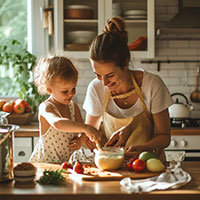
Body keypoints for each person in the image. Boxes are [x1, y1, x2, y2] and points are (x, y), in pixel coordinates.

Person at [83, 16, 173, 161]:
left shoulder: (152, 84)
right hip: (111, 167)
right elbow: (90, 135)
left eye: (110, 75)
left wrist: (144, 148)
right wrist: (91, 141)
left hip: (148, 165)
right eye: (98, 75)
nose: (104, 82)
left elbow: (164, 137)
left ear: (125, 63)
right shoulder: (95, 88)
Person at [29, 55, 100, 163]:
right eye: (65, 91)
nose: (70, 94)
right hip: (46, 164)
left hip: (66, 164)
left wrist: (80, 140)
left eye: (73, 89)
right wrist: (86, 127)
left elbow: (82, 133)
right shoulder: (46, 107)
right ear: (49, 89)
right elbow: (58, 123)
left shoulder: (73, 107)